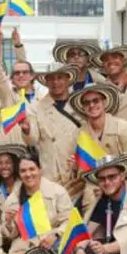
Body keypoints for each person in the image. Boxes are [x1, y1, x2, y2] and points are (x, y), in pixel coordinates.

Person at [1, 153, 74, 254]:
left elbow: (71, 221)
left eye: (32, 169)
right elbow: (9, 236)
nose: (28, 174)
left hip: (51, 241)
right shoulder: (14, 198)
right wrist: (8, 222)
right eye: (23, 171)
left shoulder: (57, 191)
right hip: (24, 245)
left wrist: (56, 234)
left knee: (65, 240)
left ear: (39, 169)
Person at [32, 63, 83, 197]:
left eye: (60, 78)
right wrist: (26, 130)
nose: (56, 82)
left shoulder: (81, 104)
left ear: (67, 79)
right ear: (46, 82)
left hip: (77, 175)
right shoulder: (37, 107)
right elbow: (32, 138)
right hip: (50, 175)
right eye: (51, 79)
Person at [90, 46, 127, 124]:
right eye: (106, 60)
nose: (110, 61)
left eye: (115, 57)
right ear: (102, 65)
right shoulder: (97, 91)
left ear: (123, 61)